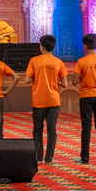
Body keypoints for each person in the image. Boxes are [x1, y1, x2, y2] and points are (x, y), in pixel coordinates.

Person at [25, 35, 68, 165]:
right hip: (53, 100)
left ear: (41, 47)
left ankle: (38, 157)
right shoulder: (58, 62)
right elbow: (65, 84)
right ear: (53, 48)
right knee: (52, 130)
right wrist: (54, 81)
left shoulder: (34, 61)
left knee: (37, 129)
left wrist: (38, 78)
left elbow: (27, 80)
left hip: (39, 100)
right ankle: (49, 159)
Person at [72, 33, 96, 164]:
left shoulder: (81, 61)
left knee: (86, 127)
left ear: (85, 46)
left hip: (86, 96)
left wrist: (84, 78)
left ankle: (85, 158)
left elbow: (74, 81)